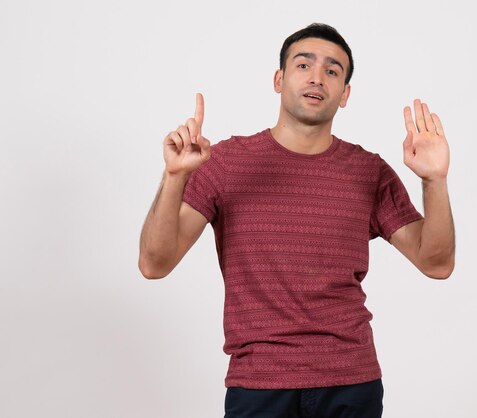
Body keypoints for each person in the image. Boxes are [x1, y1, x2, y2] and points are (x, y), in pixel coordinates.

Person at [139, 23, 455, 418]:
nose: (317, 77)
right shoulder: (223, 163)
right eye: (304, 64)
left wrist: (434, 180)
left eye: (333, 71)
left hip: (351, 384)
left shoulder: (368, 171)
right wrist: (174, 177)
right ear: (279, 79)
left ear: (345, 94)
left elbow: (436, 262)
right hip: (259, 385)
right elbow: (154, 263)